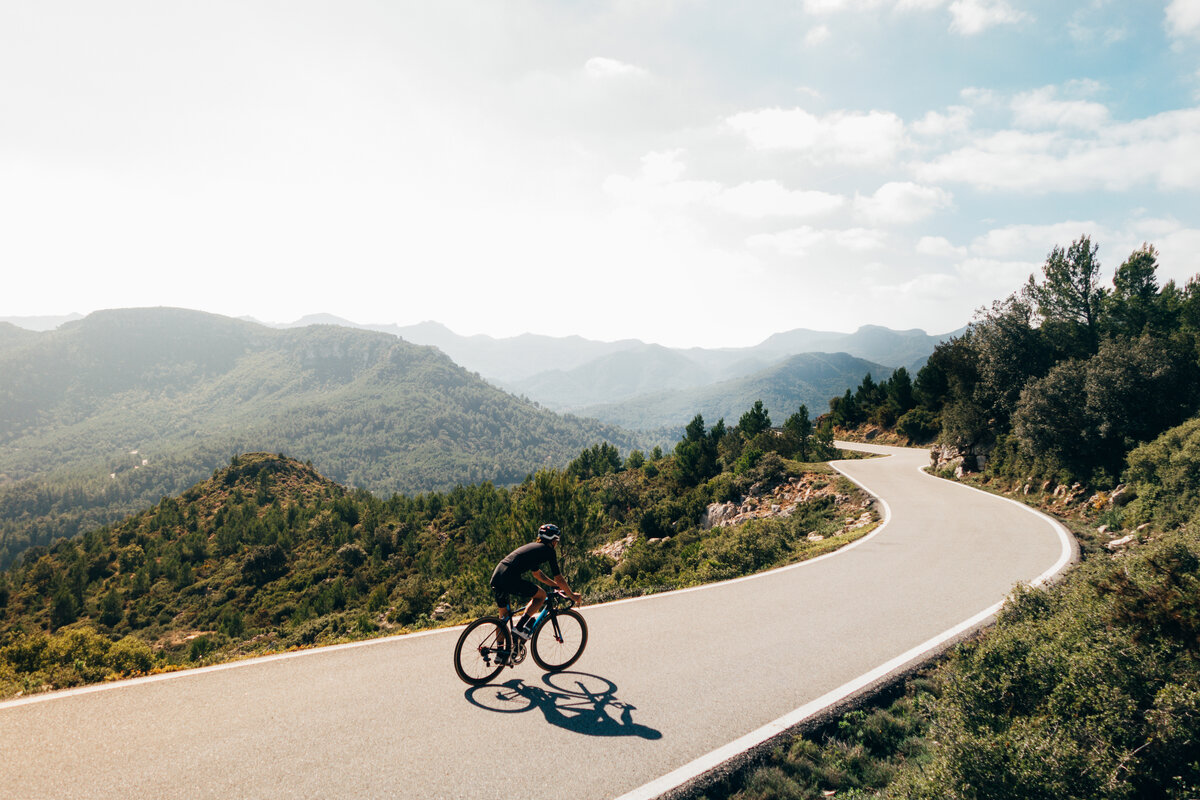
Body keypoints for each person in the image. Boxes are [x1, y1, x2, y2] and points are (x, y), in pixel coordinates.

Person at [490, 523, 583, 640]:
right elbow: (559, 578)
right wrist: (572, 595)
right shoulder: (549, 551)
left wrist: (555, 586)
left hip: (497, 575)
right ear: (554, 541)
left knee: (503, 618)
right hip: (509, 578)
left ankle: (500, 655)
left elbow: (538, 574)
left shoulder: (533, 548)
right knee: (541, 596)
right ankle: (519, 628)